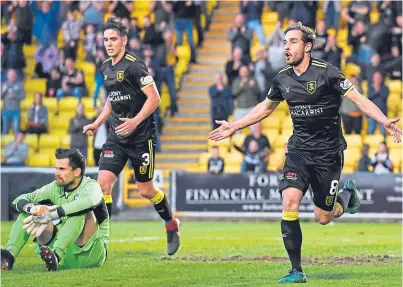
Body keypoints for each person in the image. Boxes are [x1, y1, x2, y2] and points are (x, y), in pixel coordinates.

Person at [208, 22, 402, 284]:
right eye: (285, 42)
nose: (286, 47)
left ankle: (347, 195)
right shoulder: (282, 78)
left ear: (307, 46)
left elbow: (358, 99)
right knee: (289, 201)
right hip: (298, 151)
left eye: (293, 42)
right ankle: (296, 270)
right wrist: (234, 125)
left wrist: (384, 121)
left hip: (328, 153)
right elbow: (265, 109)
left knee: (323, 217)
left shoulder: (327, 72)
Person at [83, 18, 180, 256]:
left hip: (141, 138)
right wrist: (97, 123)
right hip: (117, 137)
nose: (108, 43)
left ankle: (171, 225)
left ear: (124, 40)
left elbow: (155, 98)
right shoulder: (105, 67)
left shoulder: (135, 66)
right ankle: (101, 240)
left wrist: (135, 121)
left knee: (145, 190)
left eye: (113, 39)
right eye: (105, 39)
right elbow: (111, 98)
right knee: (103, 184)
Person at [1, 149, 109, 271]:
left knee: (80, 212)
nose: (56, 173)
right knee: (31, 214)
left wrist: (52, 213)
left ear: (77, 172)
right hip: (66, 252)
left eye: (62, 169)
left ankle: (56, 255)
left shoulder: (91, 186)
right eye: (56, 168)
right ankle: (7, 257)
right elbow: (19, 200)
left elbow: (89, 201)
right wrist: (33, 208)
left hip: (92, 254)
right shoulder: (54, 187)